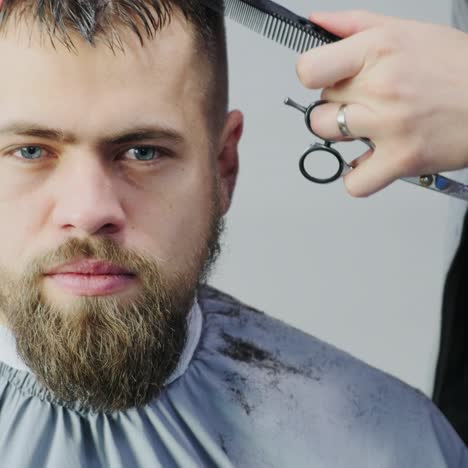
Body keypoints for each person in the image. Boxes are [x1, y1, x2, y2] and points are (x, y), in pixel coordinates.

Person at [0, 1, 465, 467]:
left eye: (143, 152)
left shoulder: (387, 448)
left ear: (224, 167)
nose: (88, 212)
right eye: (29, 151)